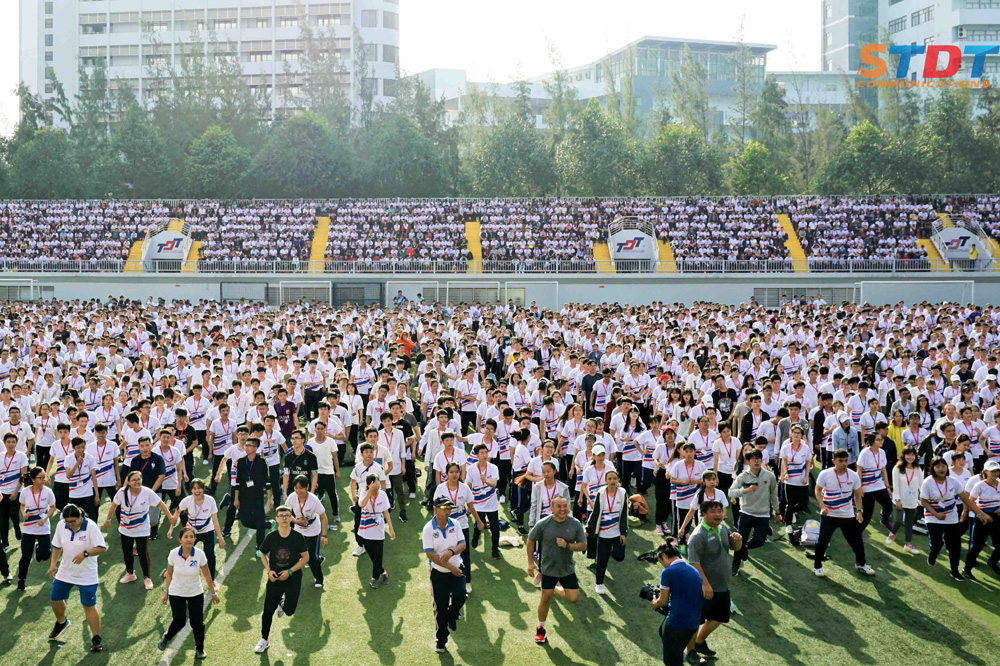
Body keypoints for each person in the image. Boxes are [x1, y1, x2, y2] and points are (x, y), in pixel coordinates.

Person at [685, 500, 741, 663]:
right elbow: (693, 562)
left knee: (719, 617)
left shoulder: (723, 528)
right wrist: (705, 584)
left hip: (722, 585)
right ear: (703, 513)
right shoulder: (698, 535)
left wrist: (738, 541)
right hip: (704, 587)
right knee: (696, 620)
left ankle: (699, 642)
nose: (718, 514)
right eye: (713, 511)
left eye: (720, 511)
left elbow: (735, 548)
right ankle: (691, 652)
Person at [526, 495, 586, 645]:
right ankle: (541, 628)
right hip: (548, 568)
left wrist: (567, 545)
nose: (562, 509)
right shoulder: (544, 523)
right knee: (545, 598)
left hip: (566, 569)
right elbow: (530, 539)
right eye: (558, 506)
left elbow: (583, 545)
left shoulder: (575, 524)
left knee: (573, 598)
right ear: (552, 508)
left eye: (565, 506)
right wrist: (530, 563)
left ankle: (555, 589)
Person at [48, 503, 107, 653]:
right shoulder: (62, 525)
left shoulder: (91, 527)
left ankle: (96, 637)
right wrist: (53, 564)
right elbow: (56, 546)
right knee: (55, 599)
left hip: (87, 574)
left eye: (73, 521)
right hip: (66, 571)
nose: (70, 525)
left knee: (88, 605)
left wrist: (85, 553)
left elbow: (102, 547)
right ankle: (62, 622)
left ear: (80, 516)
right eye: (68, 522)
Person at [104, 470, 175, 590]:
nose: (137, 482)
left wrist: (170, 517)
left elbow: (161, 504)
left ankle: (147, 578)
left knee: (142, 553)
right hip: (126, 529)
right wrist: (108, 519)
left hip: (142, 528)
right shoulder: (122, 492)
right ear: (129, 482)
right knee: (127, 552)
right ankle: (130, 573)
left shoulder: (147, 492)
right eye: (134, 480)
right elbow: (113, 505)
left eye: (139, 479)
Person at [158, 526, 219, 660]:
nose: (189, 540)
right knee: (179, 621)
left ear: (195, 539)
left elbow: (207, 574)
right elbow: (169, 573)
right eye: (186, 537)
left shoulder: (199, 554)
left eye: (191, 537)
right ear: (180, 540)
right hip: (176, 592)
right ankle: (166, 637)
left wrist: (213, 593)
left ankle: (200, 649)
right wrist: (166, 592)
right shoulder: (173, 554)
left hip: (195, 592)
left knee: (197, 623)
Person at [813, 448, 876, 578]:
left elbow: (858, 494)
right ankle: (817, 566)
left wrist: (859, 511)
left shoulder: (853, 476)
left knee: (857, 541)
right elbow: (817, 491)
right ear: (833, 461)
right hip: (829, 515)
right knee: (822, 541)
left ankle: (861, 564)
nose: (843, 463)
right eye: (840, 461)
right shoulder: (825, 474)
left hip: (847, 515)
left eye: (846, 461)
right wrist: (822, 506)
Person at [255, 505, 309, 654]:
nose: (284, 518)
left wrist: (290, 571)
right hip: (275, 579)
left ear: (291, 518)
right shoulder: (271, 537)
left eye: (287, 515)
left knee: (290, 611)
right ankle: (264, 640)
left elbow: (306, 557)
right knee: (267, 611)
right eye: (281, 516)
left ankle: (282, 603)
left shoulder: (298, 537)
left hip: (293, 579)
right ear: (277, 519)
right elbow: (262, 553)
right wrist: (268, 570)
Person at [920, 456, 982, 581]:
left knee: (955, 545)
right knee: (937, 543)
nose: (941, 469)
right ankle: (933, 554)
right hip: (933, 517)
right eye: (937, 466)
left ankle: (954, 571)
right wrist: (936, 514)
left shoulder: (953, 481)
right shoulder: (928, 482)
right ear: (932, 468)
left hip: (951, 517)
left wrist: (980, 513)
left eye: (943, 466)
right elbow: (923, 501)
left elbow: (966, 499)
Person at [422, 495, 468, 654]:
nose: (447, 510)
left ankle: (453, 615)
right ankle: (441, 640)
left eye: (449, 507)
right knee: (440, 608)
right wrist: (449, 566)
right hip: (439, 573)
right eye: (444, 508)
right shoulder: (428, 528)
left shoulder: (455, 524)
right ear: (435, 509)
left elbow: (463, 544)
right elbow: (430, 554)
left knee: (461, 595)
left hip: (456, 568)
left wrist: (451, 551)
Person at [649, 538, 703, 666]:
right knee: (677, 656)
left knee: (671, 661)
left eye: (660, 560)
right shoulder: (693, 570)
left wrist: (654, 603)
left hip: (677, 624)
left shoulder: (668, 572)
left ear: (663, 556)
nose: (661, 564)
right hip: (693, 624)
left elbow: (662, 602)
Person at [727, 449, 779, 577]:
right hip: (746, 512)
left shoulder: (769, 476)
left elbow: (774, 495)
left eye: (759, 458)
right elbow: (731, 492)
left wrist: (777, 511)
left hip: (763, 514)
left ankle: (745, 548)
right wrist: (745, 491)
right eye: (753, 459)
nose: (756, 461)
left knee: (760, 541)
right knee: (740, 540)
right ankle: (735, 565)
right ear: (748, 461)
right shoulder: (743, 476)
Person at [433, 462, 482, 594]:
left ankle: (467, 581)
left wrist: (478, 521)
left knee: (465, 554)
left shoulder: (464, 488)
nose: (454, 475)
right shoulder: (441, 489)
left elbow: (471, 506)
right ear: (446, 474)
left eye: (457, 472)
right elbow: (436, 509)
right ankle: (448, 581)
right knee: (446, 553)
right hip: (445, 526)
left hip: (462, 526)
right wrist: (435, 525)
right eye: (451, 472)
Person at [169, 479, 226, 579]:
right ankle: (173, 571)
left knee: (210, 555)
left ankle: (211, 579)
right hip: (191, 532)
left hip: (207, 530)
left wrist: (220, 538)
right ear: (191, 490)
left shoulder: (210, 500)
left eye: (199, 488)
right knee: (183, 553)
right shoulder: (187, 501)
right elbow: (177, 512)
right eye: (194, 488)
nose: (197, 491)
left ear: (203, 489)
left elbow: (215, 521)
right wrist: (170, 529)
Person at [585, 469, 627, 595]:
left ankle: (608, 552)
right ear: (605, 481)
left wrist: (623, 532)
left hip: (616, 532)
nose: (612, 481)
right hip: (603, 533)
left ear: (618, 480)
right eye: (609, 479)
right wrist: (588, 529)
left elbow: (624, 513)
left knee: (619, 556)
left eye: (614, 478)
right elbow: (596, 512)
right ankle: (599, 583)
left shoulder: (623, 493)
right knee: (602, 560)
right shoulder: (601, 493)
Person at [17, 467, 57, 590]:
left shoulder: (48, 492)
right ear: (33, 479)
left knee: (45, 555)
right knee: (26, 556)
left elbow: (52, 507)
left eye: (44, 476)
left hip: (43, 527)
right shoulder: (25, 492)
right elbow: (22, 505)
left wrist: (45, 518)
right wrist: (24, 514)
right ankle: (21, 579)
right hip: (29, 528)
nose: (44, 479)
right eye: (41, 477)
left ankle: (38, 549)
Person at [288, 475, 328, 589]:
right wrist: (296, 521)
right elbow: (286, 511)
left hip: (313, 531)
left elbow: (323, 517)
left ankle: (319, 578)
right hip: (298, 530)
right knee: (295, 555)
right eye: (296, 488)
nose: (298, 491)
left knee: (311, 559)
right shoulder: (292, 497)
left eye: (301, 488)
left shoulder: (314, 500)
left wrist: (324, 535)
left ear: (307, 487)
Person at [235, 438, 273, 557]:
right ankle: (267, 525)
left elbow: (267, 481)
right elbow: (238, 481)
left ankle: (260, 547)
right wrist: (236, 498)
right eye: (246, 445)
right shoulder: (241, 462)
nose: (247, 448)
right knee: (245, 521)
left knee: (259, 519)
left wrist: (269, 498)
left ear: (256, 448)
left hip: (257, 496)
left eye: (250, 446)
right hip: (244, 496)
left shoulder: (262, 462)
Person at [357, 472, 395, 588]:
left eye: (377, 481)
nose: (377, 484)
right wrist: (370, 491)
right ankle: (383, 572)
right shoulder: (363, 493)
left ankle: (374, 578)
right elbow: (361, 504)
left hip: (378, 529)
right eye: (374, 482)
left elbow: (386, 512)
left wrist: (391, 529)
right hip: (366, 529)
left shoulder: (383, 495)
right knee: (373, 556)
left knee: (378, 555)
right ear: (368, 485)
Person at [963, 459, 1000, 578]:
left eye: (997, 471)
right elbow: (970, 501)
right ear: (985, 472)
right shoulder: (980, 485)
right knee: (977, 546)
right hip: (982, 518)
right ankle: (967, 569)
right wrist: (981, 514)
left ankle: (993, 562)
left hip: (997, 518)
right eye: (992, 471)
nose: (995, 473)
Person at [467, 442, 501, 560]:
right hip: (478, 504)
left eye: (486, 452)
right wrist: (469, 505)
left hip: (491, 504)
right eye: (481, 453)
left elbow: (494, 484)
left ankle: (495, 549)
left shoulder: (493, 468)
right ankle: (476, 537)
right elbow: (469, 486)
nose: (484, 455)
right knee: (479, 526)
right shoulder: (471, 469)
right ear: (477, 455)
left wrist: (485, 480)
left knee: (495, 528)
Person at [888, 446, 923, 554]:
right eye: (908, 454)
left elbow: (921, 485)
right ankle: (893, 533)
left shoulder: (917, 469)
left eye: (912, 455)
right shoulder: (897, 468)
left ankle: (908, 544)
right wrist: (898, 499)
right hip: (899, 499)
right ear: (903, 455)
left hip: (912, 500)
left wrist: (922, 498)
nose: (910, 457)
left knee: (909, 523)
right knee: (898, 520)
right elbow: (895, 485)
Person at [857, 433, 893, 535]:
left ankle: (884, 520)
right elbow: (859, 471)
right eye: (878, 439)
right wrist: (860, 488)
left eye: (881, 439)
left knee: (888, 504)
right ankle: (859, 531)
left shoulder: (882, 452)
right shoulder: (864, 453)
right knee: (867, 514)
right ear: (872, 442)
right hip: (867, 487)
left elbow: (884, 470)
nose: (881, 441)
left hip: (879, 484)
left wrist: (887, 486)